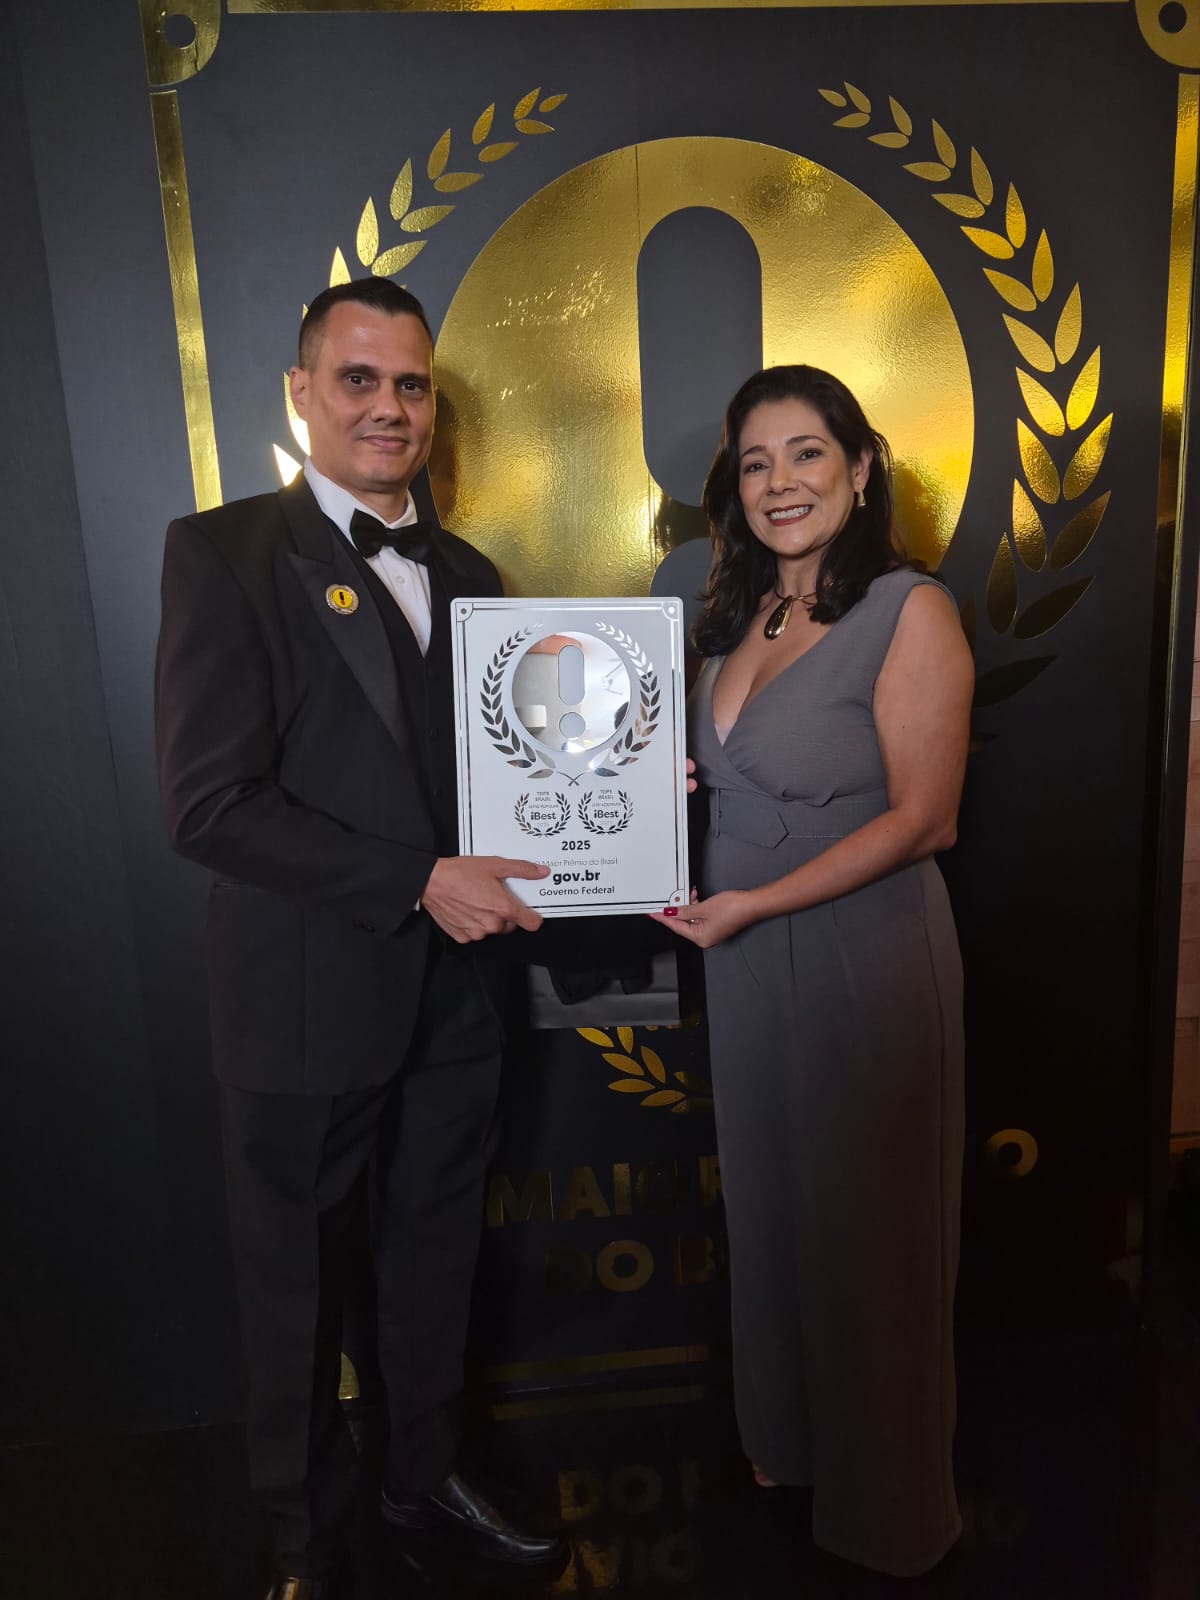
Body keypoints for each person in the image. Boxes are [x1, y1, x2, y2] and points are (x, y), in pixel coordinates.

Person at [155, 277, 567, 1599]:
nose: (389, 407)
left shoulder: (473, 575)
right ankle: (302, 1536)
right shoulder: (221, 555)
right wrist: (415, 882)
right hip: (303, 1000)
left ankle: (421, 1476)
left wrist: (612, 796)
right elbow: (210, 806)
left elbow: (508, 780)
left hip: (459, 998)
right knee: (294, 1290)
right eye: (358, 379)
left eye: (410, 384)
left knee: (435, 1258)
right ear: (301, 393)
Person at [652, 364, 973, 1577]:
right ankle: (791, 1445)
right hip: (743, 958)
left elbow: (925, 818)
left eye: (807, 454)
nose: (780, 482)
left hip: (860, 953)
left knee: (872, 1230)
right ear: (733, 489)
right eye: (756, 462)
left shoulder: (909, 609)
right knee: (776, 1209)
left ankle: (888, 1506)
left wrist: (754, 904)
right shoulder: (740, 617)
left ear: (861, 466)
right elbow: (729, 774)